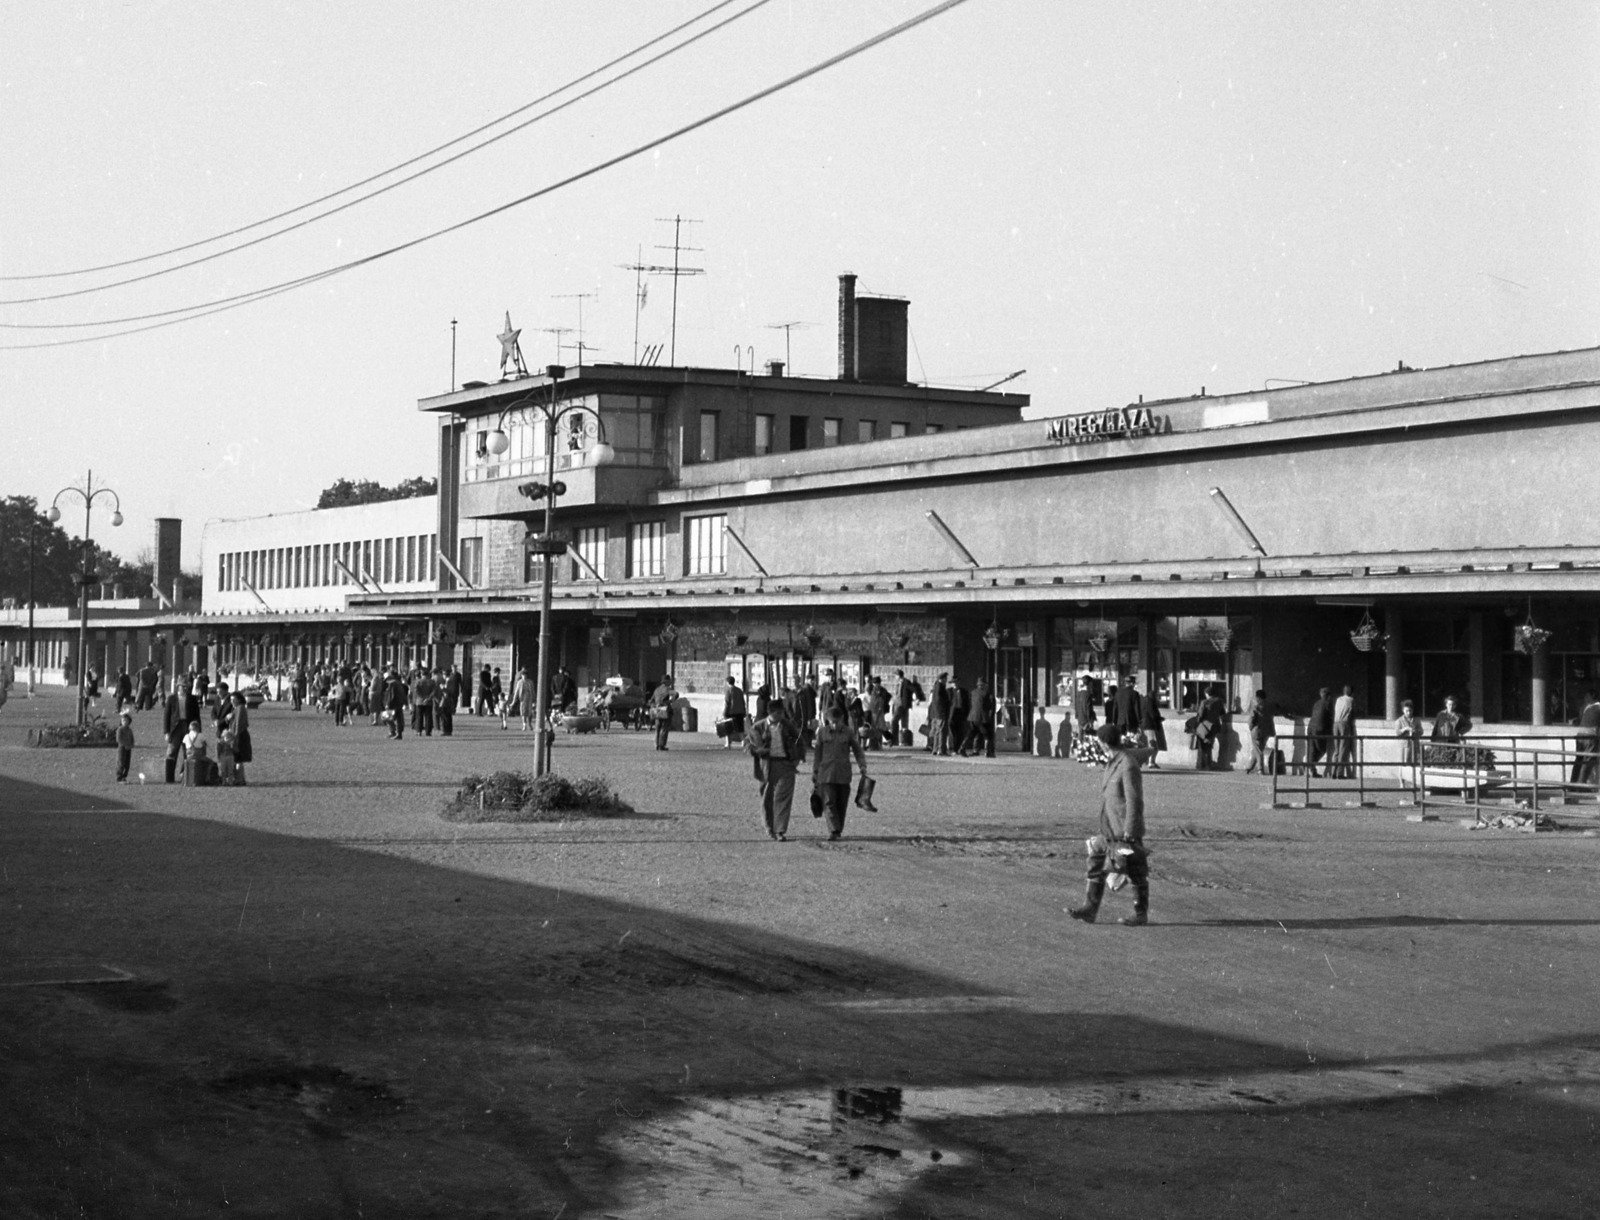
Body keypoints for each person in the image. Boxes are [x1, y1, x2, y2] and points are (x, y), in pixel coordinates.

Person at [1068, 724, 1152, 926]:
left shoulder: (1128, 764)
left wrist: (1130, 832)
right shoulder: (1113, 762)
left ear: (1104, 743)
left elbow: (1134, 800)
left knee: (1135, 871)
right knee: (1096, 861)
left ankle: (1140, 914)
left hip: (1124, 830)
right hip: (1109, 827)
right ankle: (1090, 908)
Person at [811, 703, 869, 841]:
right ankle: (833, 829)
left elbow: (857, 750)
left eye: (837, 722)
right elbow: (817, 754)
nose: (835, 725)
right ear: (827, 720)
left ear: (842, 719)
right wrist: (815, 771)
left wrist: (862, 765)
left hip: (843, 773)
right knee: (828, 801)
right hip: (826, 774)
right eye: (832, 722)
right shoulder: (822, 733)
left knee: (841, 803)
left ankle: (838, 828)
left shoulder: (848, 732)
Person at [746, 702, 802, 839]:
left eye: (782, 713)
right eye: (779, 713)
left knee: (784, 798)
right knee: (768, 798)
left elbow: (800, 741)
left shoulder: (787, 725)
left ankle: (780, 830)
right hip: (767, 766)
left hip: (786, 765)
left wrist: (797, 758)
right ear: (771, 713)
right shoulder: (758, 727)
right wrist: (758, 751)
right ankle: (770, 827)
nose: (782, 715)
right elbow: (747, 745)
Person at [1570, 690, 1600, 787]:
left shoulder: (1587, 707)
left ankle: (1572, 784)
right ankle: (1580, 785)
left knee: (1579, 760)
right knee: (1587, 761)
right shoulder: (1598, 708)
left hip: (1580, 736)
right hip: (1591, 736)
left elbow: (1578, 721)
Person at [162, 677, 188, 783]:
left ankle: (185, 776)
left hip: (187, 726)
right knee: (172, 752)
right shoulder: (171, 699)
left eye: (187, 687)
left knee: (188, 752)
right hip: (175, 728)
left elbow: (196, 716)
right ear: (178, 687)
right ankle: (169, 778)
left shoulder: (192, 698)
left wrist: (198, 729)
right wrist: (166, 732)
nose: (185, 689)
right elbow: (166, 716)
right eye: (183, 686)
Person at [1193, 685, 1225, 770]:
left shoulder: (1204, 702)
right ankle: (1208, 764)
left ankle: (1202, 764)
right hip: (1215, 726)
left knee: (1202, 746)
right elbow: (1222, 713)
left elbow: (1200, 716)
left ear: (1207, 694)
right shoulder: (1219, 701)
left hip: (1204, 726)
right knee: (1209, 744)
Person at [962, 679, 996, 757]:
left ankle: (962, 748)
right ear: (984, 685)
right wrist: (990, 717)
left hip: (973, 717)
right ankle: (988, 752)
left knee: (971, 733)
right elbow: (991, 707)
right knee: (988, 735)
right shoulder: (987, 694)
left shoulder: (973, 693)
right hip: (983, 718)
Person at [225, 691, 252, 784]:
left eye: (234, 699)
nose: (232, 701)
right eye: (231, 699)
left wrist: (235, 737)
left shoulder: (240, 708)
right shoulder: (236, 708)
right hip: (238, 734)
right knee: (237, 758)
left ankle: (239, 779)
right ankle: (240, 779)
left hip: (240, 735)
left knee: (238, 758)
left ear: (239, 699)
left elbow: (238, 724)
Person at [1245, 691, 1275, 774]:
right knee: (1259, 748)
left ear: (1258, 697)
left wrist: (1251, 727)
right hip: (1267, 730)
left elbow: (1251, 719)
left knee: (1258, 750)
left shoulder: (1256, 707)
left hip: (1257, 730)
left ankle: (1260, 768)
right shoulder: (1270, 705)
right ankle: (1249, 767)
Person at [1307, 687, 1334, 777]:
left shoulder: (1316, 703)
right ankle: (1310, 766)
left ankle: (1311, 768)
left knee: (1312, 750)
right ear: (1329, 696)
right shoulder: (1328, 703)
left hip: (1311, 728)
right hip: (1320, 730)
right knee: (1322, 749)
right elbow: (1331, 717)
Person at [1332, 685, 1357, 779]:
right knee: (1343, 748)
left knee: (1337, 749)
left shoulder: (1338, 699)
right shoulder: (1351, 700)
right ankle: (1340, 773)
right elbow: (1353, 714)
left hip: (1335, 724)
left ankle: (1333, 772)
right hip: (1344, 724)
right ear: (1351, 692)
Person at [1139, 694, 1166, 768]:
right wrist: (1160, 718)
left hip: (1145, 726)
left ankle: (1148, 761)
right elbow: (1153, 715)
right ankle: (1151, 761)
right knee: (1153, 744)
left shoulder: (1144, 704)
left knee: (1149, 744)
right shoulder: (1151, 704)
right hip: (1151, 726)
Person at [926, 674, 950, 756]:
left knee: (936, 732)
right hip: (941, 713)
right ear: (942, 679)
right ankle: (941, 750)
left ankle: (935, 749)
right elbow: (940, 701)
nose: (946, 680)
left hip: (935, 714)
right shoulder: (940, 687)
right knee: (942, 731)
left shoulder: (935, 686)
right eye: (945, 678)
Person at [650, 674, 675, 750]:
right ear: (667, 682)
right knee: (664, 728)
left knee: (657, 727)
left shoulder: (657, 690)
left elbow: (651, 700)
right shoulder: (668, 689)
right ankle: (661, 745)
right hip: (665, 710)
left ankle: (656, 744)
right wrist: (670, 701)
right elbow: (676, 695)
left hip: (657, 710)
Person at [1395, 698, 1423, 767]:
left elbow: (1421, 731)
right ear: (1403, 710)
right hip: (1404, 746)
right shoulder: (1399, 721)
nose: (1409, 713)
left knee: (1414, 764)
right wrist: (1404, 729)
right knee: (1403, 764)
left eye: (1410, 711)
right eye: (1406, 711)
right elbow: (1397, 732)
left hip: (1414, 745)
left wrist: (1415, 731)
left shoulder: (1417, 720)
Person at [721, 676, 747, 749]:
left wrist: (724, 713)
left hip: (731, 712)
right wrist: (744, 711)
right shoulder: (739, 690)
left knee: (728, 729)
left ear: (727, 682)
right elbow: (743, 702)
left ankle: (728, 743)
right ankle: (743, 742)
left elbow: (727, 703)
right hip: (740, 711)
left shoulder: (728, 691)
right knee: (740, 728)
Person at [384, 669, 408, 740]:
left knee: (389, 718)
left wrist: (388, 703)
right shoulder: (398, 683)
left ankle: (395, 732)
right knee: (398, 718)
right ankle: (395, 732)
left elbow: (392, 695)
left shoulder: (392, 684)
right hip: (399, 703)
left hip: (394, 704)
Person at [412, 668, 437, 737]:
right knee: (428, 717)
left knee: (419, 717)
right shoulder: (432, 682)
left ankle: (418, 731)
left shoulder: (418, 681)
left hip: (419, 701)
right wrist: (428, 698)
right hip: (428, 702)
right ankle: (428, 731)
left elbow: (416, 691)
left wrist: (422, 697)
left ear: (421, 674)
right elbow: (434, 691)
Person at [440, 666, 460, 737]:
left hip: (447, 701)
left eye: (443, 674)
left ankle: (446, 730)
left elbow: (449, 692)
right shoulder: (449, 681)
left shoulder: (449, 681)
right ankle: (448, 730)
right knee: (447, 716)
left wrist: (443, 688)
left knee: (445, 716)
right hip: (448, 700)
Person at [114, 710, 135, 782]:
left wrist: (131, 745)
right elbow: (119, 739)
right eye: (123, 720)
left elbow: (132, 739)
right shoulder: (120, 729)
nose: (125, 722)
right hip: (122, 748)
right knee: (121, 762)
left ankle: (124, 776)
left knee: (127, 763)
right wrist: (125, 745)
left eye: (126, 720)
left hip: (128, 748)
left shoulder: (129, 730)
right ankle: (119, 776)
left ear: (129, 721)